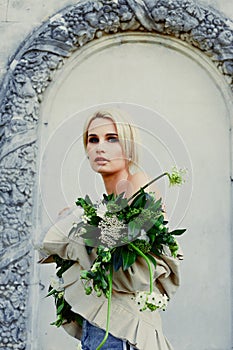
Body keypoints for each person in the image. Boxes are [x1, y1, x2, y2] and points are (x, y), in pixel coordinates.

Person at [40, 108, 183, 350]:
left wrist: (77, 229)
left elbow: (132, 264)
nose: (99, 147)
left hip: (122, 333)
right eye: (92, 140)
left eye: (111, 138)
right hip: (97, 331)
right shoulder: (103, 205)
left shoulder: (141, 186)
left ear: (128, 147)